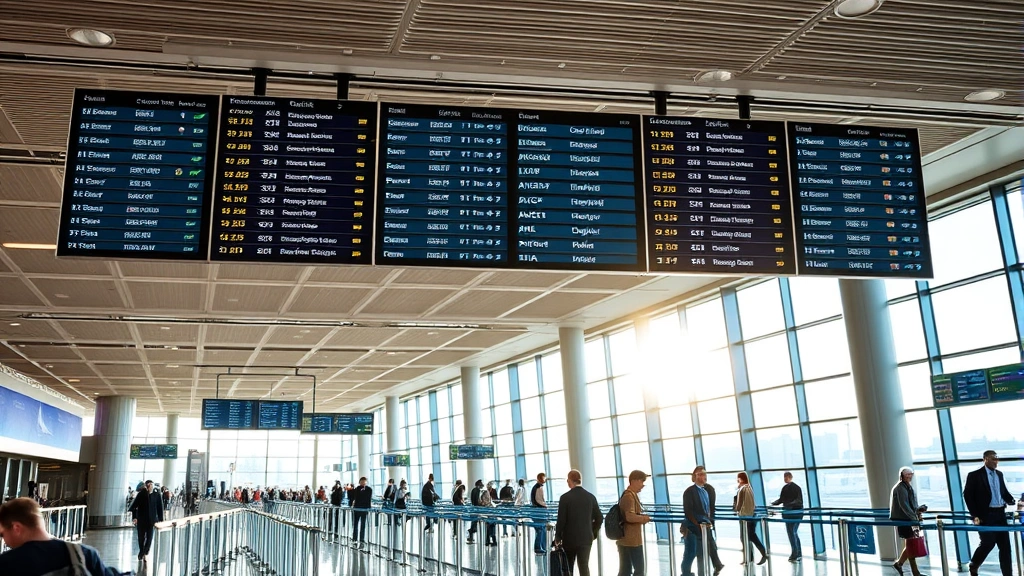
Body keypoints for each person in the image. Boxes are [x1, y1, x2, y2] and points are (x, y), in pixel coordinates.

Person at [0, 498, 123, 576]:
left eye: (2, 534)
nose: (4, 540)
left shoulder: (6, 564)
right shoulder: (84, 555)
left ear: (16, 528)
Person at [964, 450, 1016, 576]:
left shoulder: (999, 474)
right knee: (988, 542)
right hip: (985, 515)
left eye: (997, 459)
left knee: (1005, 547)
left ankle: (1008, 574)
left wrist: (1012, 500)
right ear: (985, 459)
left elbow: (1003, 492)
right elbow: (968, 496)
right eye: (993, 459)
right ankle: (974, 564)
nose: (996, 461)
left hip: (1000, 514)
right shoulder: (975, 475)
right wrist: (975, 515)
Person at [554, 469, 603, 576]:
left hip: (569, 538)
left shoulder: (565, 498)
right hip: (586, 537)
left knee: (568, 566)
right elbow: (599, 517)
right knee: (584, 566)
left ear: (569, 481)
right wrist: (593, 532)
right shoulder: (590, 497)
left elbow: (561, 520)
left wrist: (558, 536)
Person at [682, 466, 724, 576]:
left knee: (704, 550)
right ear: (694, 477)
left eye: (704, 474)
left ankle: (705, 571)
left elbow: (709, 508)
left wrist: (709, 522)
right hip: (694, 527)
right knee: (694, 553)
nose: (702, 477)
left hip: (705, 525)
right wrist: (697, 524)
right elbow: (688, 511)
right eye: (699, 474)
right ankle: (689, 573)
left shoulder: (706, 491)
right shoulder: (689, 492)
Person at [890, 466, 925, 576]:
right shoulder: (900, 488)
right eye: (907, 475)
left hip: (908, 519)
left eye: (911, 474)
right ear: (902, 476)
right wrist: (914, 517)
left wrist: (918, 509)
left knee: (910, 543)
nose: (909, 477)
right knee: (910, 543)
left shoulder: (907, 487)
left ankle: (899, 564)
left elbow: (910, 504)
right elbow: (904, 505)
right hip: (904, 520)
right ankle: (915, 572)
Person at [617, 470, 652, 576]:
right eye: (641, 481)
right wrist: (643, 519)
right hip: (631, 540)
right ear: (634, 481)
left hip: (627, 539)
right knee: (638, 569)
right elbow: (629, 516)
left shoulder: (630, 495)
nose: (643, 485)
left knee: (625, 569)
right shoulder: (629, 497)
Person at [734, 472, 767, 566]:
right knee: (751, 536)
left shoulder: (742, 489)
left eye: (738, 478)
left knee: (745, 537)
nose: (737, 480)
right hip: (751, 515)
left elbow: (739, 504)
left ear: (741, 479)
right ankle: (751, 556)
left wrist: (736, 510)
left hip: (745, 517)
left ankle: (755, 555)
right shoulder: (749, 488)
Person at [770, 471, 804, 562]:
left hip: (794, 513)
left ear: (790, 477)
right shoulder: (785, 488)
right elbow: (781, 499)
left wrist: (788, 504)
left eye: (786, 477)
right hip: (788, 513)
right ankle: (797, 552)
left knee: (792, 532)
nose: (785, 478)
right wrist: (774, 503)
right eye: (784, 477)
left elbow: (798, 501)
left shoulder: (796, 488)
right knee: (792, 533)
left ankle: (796, 553)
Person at [129, 479, 164, 562]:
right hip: (141, 519)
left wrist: (161, 519)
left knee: (149, 538)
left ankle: (145, 551)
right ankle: (142, 551)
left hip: (151, 520)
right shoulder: (141, 494)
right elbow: (134, 506)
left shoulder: (156, 494)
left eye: (150, 485)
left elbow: (160, 508)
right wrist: (134, 517)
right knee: (141, 537)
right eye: (147, 485)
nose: (149, 486)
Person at [352, 477, 373, 548]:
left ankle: (362, 539)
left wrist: (368, 508)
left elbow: (368, 498)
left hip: (364, 508)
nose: (363, 483)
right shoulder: (357, 489)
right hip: (357, 508)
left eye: (364, 482)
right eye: (361, 482)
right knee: (355, 524)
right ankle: (354, 538)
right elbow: (355, 497)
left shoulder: (369, 489)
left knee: (363, 525)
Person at [531, 472, 548, 555]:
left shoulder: (537, 487)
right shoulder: (538, 487)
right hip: (539, 511)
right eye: (544, 478)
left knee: (541, 530)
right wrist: (545, 506)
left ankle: (542, 547)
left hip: (537, 510)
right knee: (541, 530)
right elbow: (539, 500)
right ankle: (539, 547)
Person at [481, 481, 497, 546]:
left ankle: (488, 540)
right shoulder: (486, 493)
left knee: (488, 527)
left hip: (487, 512)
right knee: (491, 526)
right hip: (489, 512)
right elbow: (487, 502)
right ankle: (493, 541)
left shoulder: (485, 492)